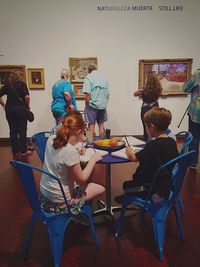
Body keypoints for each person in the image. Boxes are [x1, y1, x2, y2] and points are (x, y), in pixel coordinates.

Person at [40, 110, 105, 215]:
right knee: (101, 187)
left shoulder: (51, 139)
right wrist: (93, 160)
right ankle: (78, 212)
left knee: (79, 184)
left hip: (46, 193)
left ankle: (81, 211)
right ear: (79, 132)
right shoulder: (69, 151)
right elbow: (82, 179)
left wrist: (75, 152)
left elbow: (60, 155)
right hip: (61, 201)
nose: (83, 137)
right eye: (83, 133)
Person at [115, 107, 178, 204]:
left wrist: (128, 151)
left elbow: (134, 158)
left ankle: (154, 196)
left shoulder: (152, 145)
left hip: (150, 185)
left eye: (146, 126)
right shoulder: (172, 142)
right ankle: (161, 194)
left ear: (151, 127)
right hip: (165, 181)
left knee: (126, 186)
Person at [0, 72, 32, 156]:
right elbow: (27, 97)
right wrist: (28, 106)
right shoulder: (22, 84)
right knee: (22, 130)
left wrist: (3, 104)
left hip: (9, 109)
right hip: (21, 109)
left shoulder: (7, 85)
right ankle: (23, 151)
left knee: (13, 130)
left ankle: (15, 150)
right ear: (19, 77)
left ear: (11, 77)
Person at [134, 71, 163, 141]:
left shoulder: (144, 89)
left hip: (145, 110)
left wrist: (142, 89)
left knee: (146, 129)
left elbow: (135, 94)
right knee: (156, 128)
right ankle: (155, 145)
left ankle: (147, 145)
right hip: (155, 109)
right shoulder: (158, 88)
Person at [82, 64, 109, 138]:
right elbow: (108, 94)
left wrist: (87, 106)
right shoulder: (103, 78)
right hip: (102, 106)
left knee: (91, 125)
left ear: (88, 70)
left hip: (92, 105)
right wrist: (104, 103)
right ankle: (103, 145)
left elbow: (87, 94)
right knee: (101, 125)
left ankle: (90, 145)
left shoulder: (88, 77)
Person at [182, 69, 200, 169]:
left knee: (194, 138)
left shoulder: (198, 74)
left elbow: (185, 88)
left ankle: (193, 163)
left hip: (197, 113)